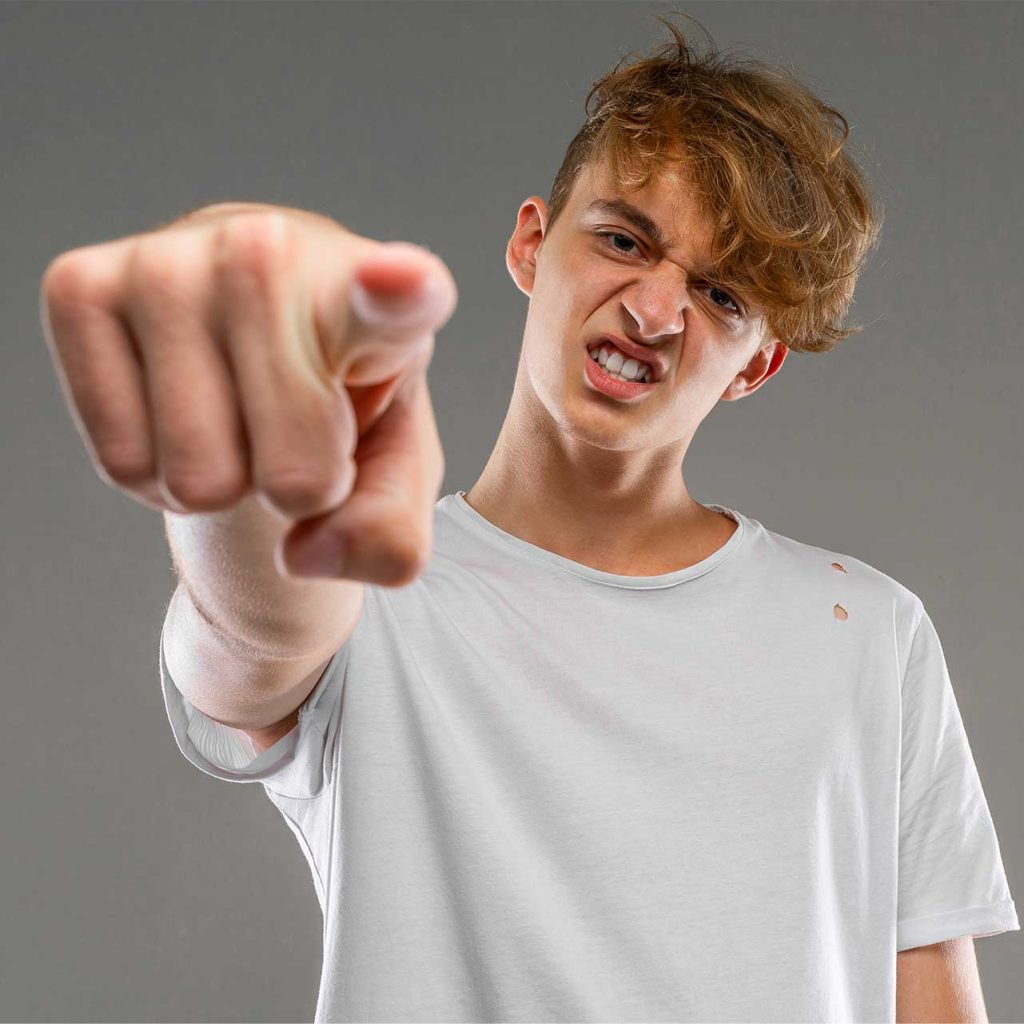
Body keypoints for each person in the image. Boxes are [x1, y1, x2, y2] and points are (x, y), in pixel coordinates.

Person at [40, 14, 1018, 1023]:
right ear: (530, 243)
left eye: (720, 295)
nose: (653, 310)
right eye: (623, 240)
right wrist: (238, 386)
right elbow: (247, 634)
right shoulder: (375, 585)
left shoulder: (867, 632)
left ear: (756, 367)